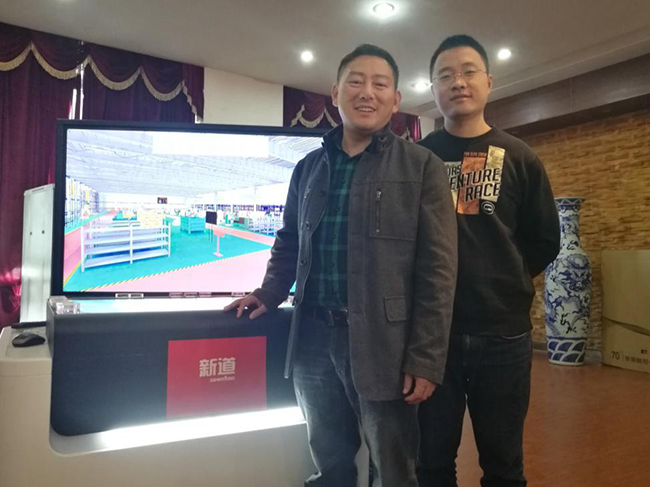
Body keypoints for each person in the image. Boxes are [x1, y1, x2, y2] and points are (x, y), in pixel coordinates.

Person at [226, 44, 457, 487]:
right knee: (329, 461)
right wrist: (269, 291)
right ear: (335, 92)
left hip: (385, 344)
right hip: (313, 338)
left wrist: (426, 358)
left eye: (379, 84)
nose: (366, 92)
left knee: (393, 469)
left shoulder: (421, 167)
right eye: (356, 81)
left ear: (395, 100)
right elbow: (290, 240)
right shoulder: (309, 168)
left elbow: (439, 270)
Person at [416, 34, 561, 487]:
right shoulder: (417, 158)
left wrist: (503, 276)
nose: (458, 82)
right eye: (445, 75)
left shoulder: (519, 156)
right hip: (432, 338)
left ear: (489, 81)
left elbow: (545, 239)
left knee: (503, 466)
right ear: (433, 88)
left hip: (503, 335)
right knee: (431, 464)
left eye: (468, 72)